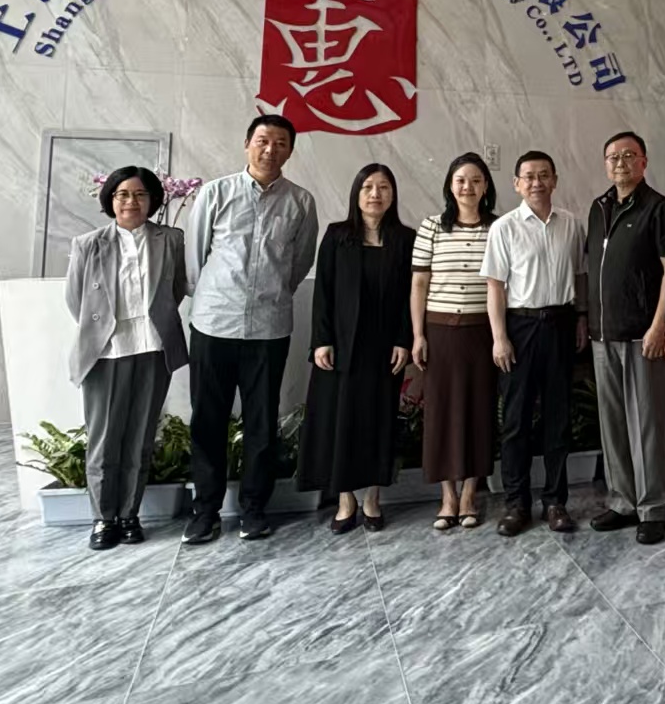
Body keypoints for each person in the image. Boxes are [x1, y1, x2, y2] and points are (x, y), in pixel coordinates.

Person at [182, 115, 319, 545]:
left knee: (262, 422)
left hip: (268, 328)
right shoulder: (216, 192)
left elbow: (299, 262)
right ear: (247, 144)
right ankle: (205, 511)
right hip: (214, 324)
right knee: (208, 419)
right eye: (262, 140)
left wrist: (272, 294)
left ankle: (254, 509)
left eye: (280, 143)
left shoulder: (300, 202)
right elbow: (194, 259)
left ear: (290, 151)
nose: (270, 149)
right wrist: (213, 295)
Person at [64, 167, 189, 551]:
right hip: (107, 351)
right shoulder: (88, 244)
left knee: (140, 437)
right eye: (122, 194)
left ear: (152, 200)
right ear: (110, 200)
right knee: (104, 439)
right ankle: (103, 519)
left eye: (139, 194)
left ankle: (128, 515)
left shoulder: (171, 239)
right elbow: (76, 300)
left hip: (153, 347)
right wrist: (104, 327)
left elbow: (176, 289)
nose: (131, 201)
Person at [296, 164, 415, 533]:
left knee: (378, 421)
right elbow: (323, 292)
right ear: (356, 193)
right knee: (340, 421)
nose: (375, 194)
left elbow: (411, 297)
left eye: (383, 187)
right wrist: (321, 341)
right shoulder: (337, 235)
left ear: (393, 194)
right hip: (341, 349)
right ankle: (345, 499)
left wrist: (404, 339)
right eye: (368, 187)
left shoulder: (405, 239)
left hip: (384, 351)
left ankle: (372, 498)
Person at [481, 151, 588, 537]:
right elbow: (495, 286)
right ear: (516, 184)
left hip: (560, 324)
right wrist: (499, 338)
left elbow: (580, 275)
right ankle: (516, 503)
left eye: (544, 175)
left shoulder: (571, 224)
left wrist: (581, 317)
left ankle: (556, 501)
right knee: (516, 421)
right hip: (519, 327)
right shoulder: (504, 228)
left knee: (558, 418)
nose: (537, 182)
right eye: (529, 176)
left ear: (555, 180)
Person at [586, 131, 665, 545]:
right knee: (613, 424)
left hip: (642, 335)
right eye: (613, 157)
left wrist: (659, 325)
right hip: (603, 335)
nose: (620, 163)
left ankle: (653, 507)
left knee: (647, 425)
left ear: (644, 162)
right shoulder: (598, 208)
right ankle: (622, 501)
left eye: (628, 155)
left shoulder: (658, 208)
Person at [411, 153, 499, 531]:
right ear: (450, 185)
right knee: (441, 413)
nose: (468, 187)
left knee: (479, 410)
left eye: (476, 180)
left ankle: (470, 494)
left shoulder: (498, 228)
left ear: (486, 186)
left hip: (482, 333)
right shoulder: (432, 226)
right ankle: (447, 496)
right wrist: (418, 335)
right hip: (440, 331)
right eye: (461, 180)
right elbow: (419, 283)